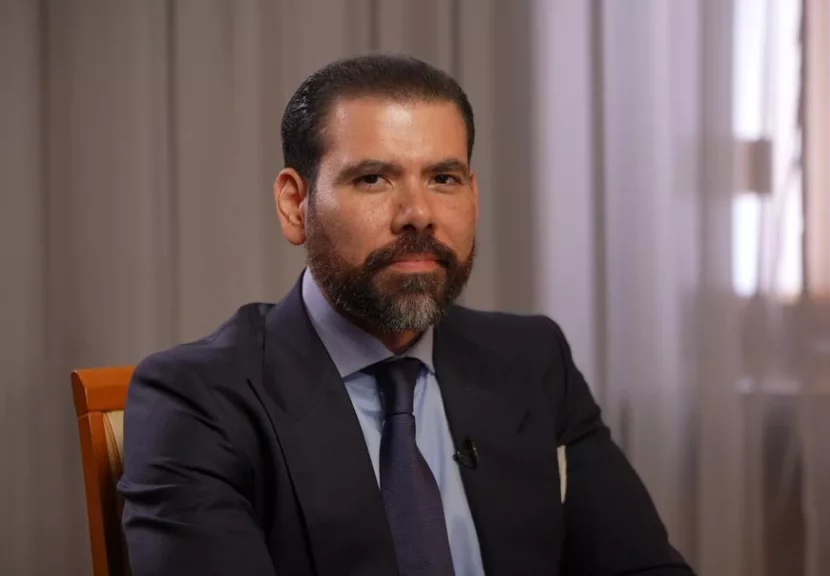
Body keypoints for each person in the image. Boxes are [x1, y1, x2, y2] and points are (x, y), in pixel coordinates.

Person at [118, 54, 696, 576]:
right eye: (373, 178)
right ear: (295, 205)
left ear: (473, 194)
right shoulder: (197, 399)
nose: (418, 213)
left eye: (443, 179)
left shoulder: (533, 358)